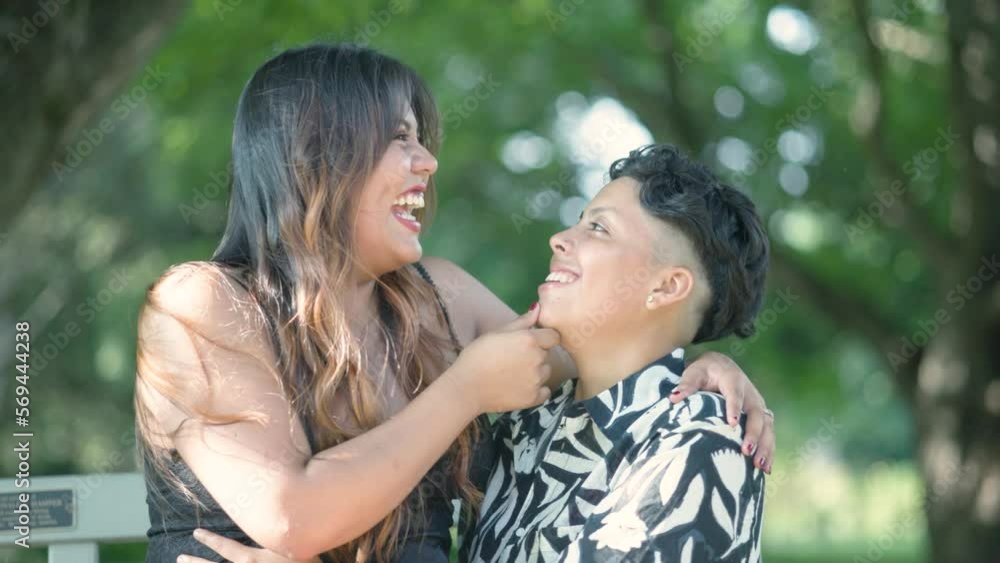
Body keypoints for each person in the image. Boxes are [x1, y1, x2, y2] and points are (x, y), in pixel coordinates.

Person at [135, 43, 773, 563]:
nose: (428, 162)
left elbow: (605, 345)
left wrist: (706, 361)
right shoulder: (202, 305)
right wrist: (464, 388)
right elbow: (290, 518)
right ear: (315, 155)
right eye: (400, 139)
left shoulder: (441, 299)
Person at [465, 144, 769, 562]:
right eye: (578, 222)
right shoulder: (525, 421)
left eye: (599, 229)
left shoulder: (701, 439)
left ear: (665, 287)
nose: (559, 240)